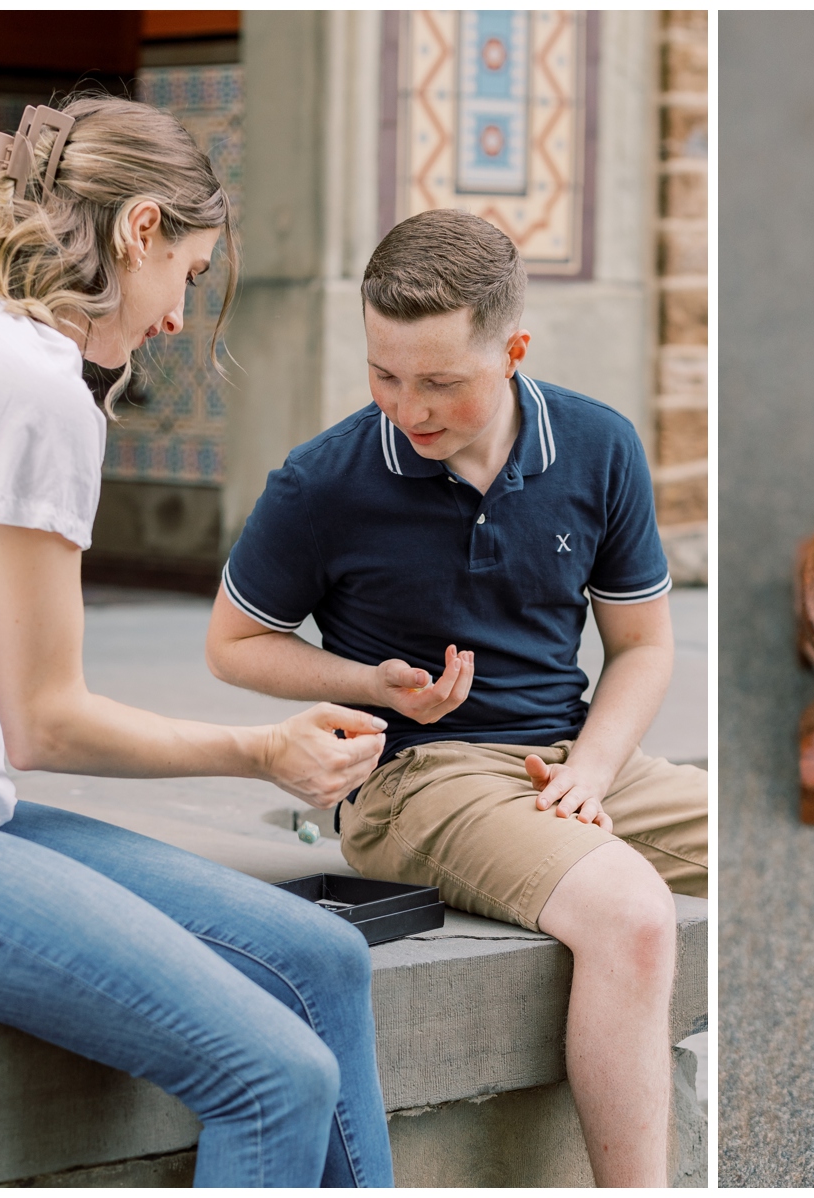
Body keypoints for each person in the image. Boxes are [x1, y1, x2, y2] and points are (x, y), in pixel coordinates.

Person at [0, 96, 396, 1188]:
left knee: (322, 958)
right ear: (138, 229)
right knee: (275, 1074)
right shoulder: (35, 383)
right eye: (187, 272)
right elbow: (43, 721)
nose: (179, 319)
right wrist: (263, 752)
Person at [205, 208, 708, 1187]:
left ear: (513, 350)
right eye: (383, 375)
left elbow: (643, 645)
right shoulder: (323, 481)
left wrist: (594, 769)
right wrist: (367, 684)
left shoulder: (600, 445)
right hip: (414, 779)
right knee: (633, 914)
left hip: (568, 757)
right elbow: (234, 645)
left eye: (440, 381)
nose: (408, 407)